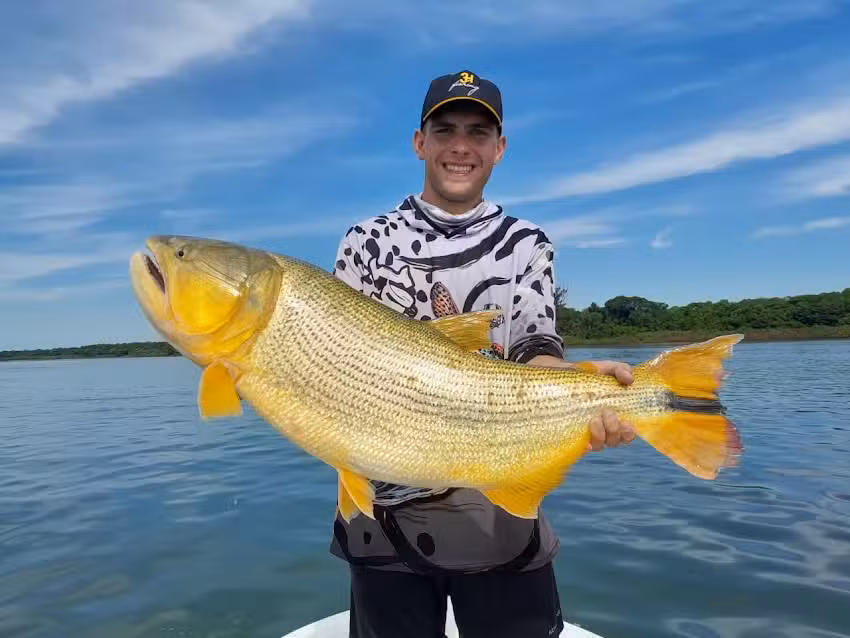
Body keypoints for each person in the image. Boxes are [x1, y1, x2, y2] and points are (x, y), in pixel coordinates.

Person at [330, 70, 636, 638]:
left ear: (500, 147)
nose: (460, 146)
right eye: (444, 130)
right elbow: (339, 353)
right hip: (384, 510)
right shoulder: (366, 240)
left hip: (499, 497)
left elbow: (536, 347)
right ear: (420, 142)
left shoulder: (526, 242)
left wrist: (576, 393)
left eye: (478, 132)